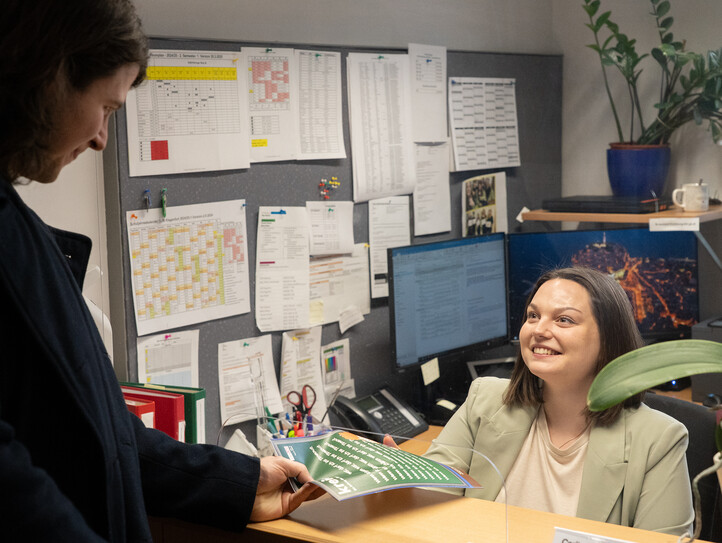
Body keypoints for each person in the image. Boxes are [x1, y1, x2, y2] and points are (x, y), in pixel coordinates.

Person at [0, 1, 321, 541]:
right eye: (106, 107)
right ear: (49, 77)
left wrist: (238, 483)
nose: (102, 138)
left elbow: (100, 432)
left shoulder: (16, 227)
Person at [388, 267, 694, 536]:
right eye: (533, 316)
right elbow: (433, 500)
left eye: (564, 320)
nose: (539, 330)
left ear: (607, 340)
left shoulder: (658, 440)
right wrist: (401, 482)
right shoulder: (484, 401)